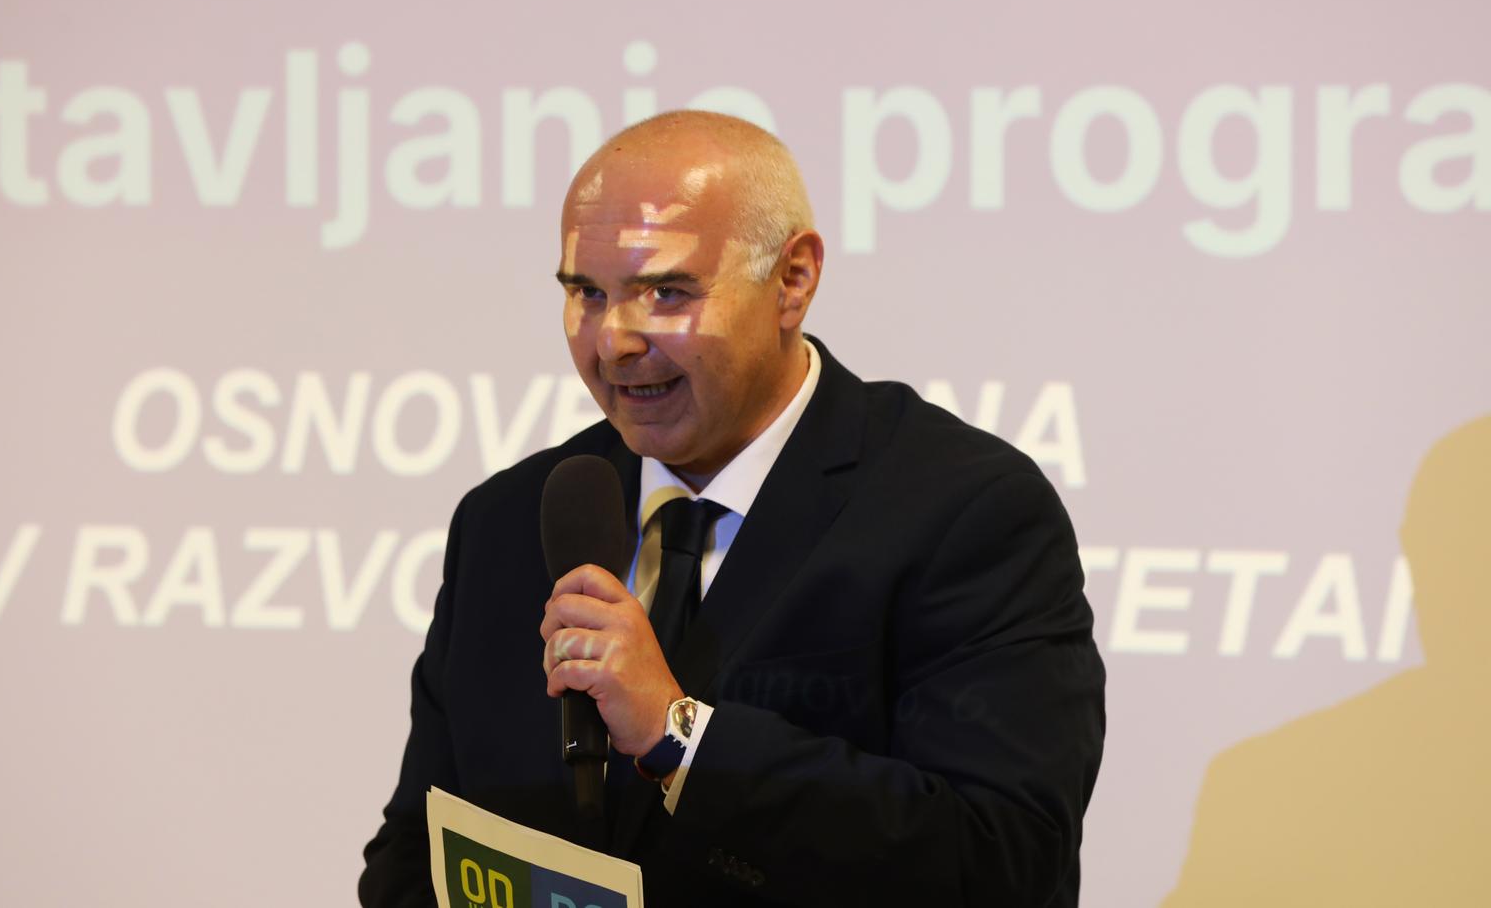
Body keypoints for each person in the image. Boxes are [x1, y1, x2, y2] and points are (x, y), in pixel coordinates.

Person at [359, 110, 1105, 907]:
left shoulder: (968, 513)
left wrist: (680, 735)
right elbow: (414, 855)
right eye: (587, 293)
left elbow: (999, 863)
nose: (613, 341)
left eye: (666, 291)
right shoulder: (506, 520)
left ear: (793, 280)